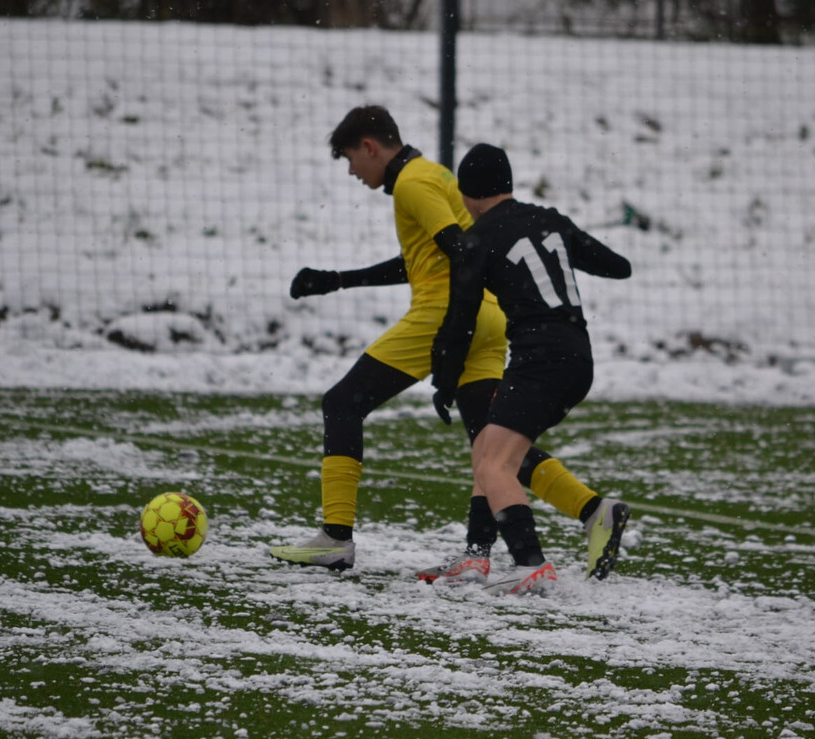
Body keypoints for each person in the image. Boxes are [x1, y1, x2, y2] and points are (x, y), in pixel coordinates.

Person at [269, 106, 629, 584]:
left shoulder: (415, 183)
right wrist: (340, 280)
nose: (353, 171)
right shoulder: (434, 174)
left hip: (447, 316)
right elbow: (441, 252)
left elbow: (459, 249)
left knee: (342, 403)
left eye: (351, 158)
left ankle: (336, 539)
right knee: (491, 443)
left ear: (371, 147)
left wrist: (447, 346)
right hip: (493, 317)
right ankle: (576, 514)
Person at [429, 143, 633, 596]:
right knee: (488, 452)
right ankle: (478, 554)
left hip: (538, 361)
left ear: (467, 194)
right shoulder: (549, 220)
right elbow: (617, 267)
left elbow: (459, 322)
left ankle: (530, 564)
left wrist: (444, 380)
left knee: (497, 463)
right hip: (577, 358)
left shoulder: (478, 238)